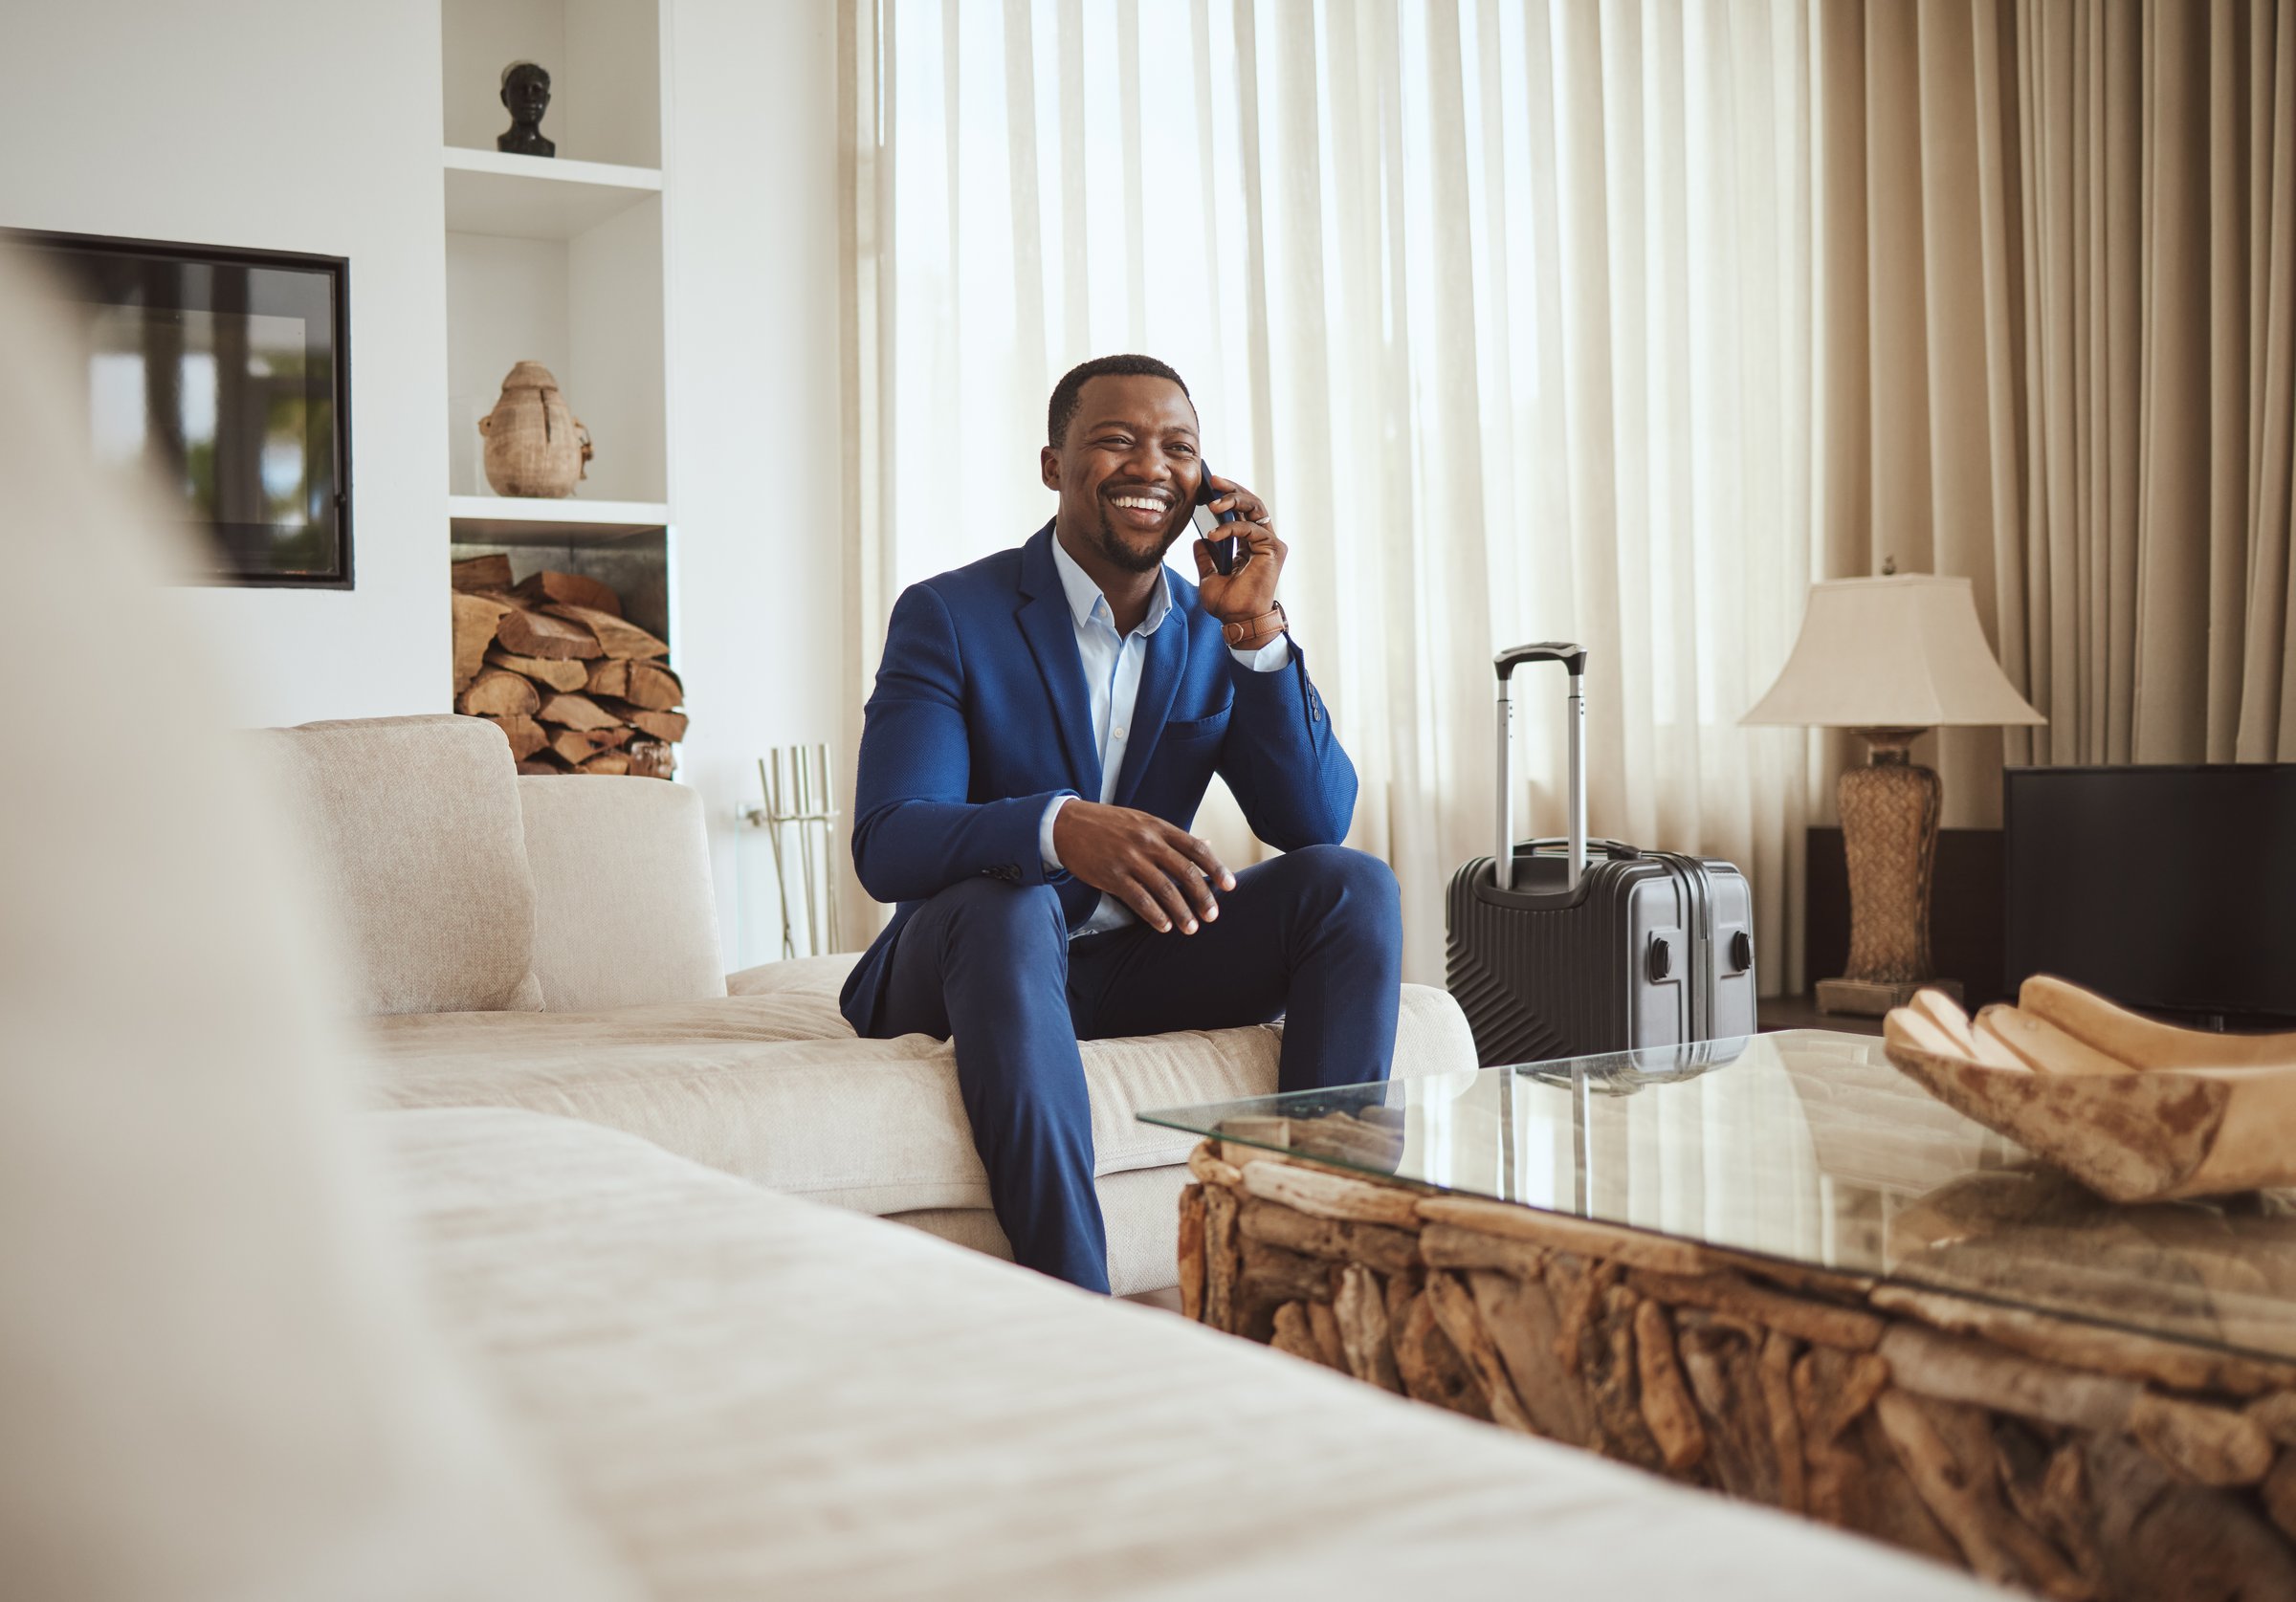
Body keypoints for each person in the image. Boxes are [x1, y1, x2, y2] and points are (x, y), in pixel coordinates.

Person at [840, 354, 1402, 1291]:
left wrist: (1256, 631)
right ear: (1054, 464)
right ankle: (1077, 1295)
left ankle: (1308, 1268)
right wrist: (1058, 829)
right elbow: (890, 837)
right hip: (964, 959)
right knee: (1009, 905)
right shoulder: (949, 614)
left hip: (1127, 963)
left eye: (1178, 448)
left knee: (1353, 888)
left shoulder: (1212, 628)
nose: (1151, 465)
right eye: (1116, 441)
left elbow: (1313, 819)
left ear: (1204, 488)